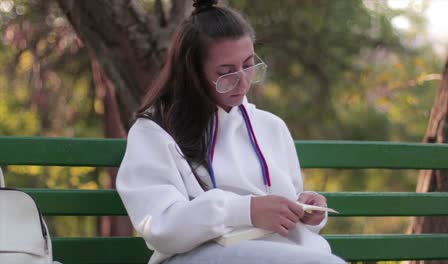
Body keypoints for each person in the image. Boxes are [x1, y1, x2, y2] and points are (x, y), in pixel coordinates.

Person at [116, 0, 345, 263]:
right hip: (196, 255)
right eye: (226, 73)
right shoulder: (154, 132)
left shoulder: (271, 127)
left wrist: (306, 212)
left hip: (277, 251)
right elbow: (160, 226)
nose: (243, 81)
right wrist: (244, 211)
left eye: (248, 65)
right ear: (193, 74)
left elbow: (286, 214)